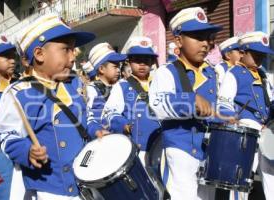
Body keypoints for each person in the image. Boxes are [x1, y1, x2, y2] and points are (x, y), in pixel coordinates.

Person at [0, 13, 95, 199]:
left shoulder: (76, 84)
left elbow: (90, 117)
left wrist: (98, 130)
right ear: (39, 54)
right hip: (50, 189)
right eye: (66, 50)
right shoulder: (19, 93)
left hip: (85, 179)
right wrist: (26, 151)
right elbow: (3, 134)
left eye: (74, 50)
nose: (73, 58)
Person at [148, 7, 222, 199]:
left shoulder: (212, 72)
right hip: (180, 148)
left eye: (208, 37)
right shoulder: (167, 71)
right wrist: (190, 100)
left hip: (209, 149)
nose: (205, 43)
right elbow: (157, 104)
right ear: (179, 40)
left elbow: (218, 105)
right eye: (198, 37)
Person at [217, 31, 274, 200]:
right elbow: (223, 103)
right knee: (243, 175)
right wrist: (232, 118)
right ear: (242, 53)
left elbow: (269, 101)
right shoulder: (233, 73)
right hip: (246, 129)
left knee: (271, 171)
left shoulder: (263, 74)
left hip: (266, 129)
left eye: (262, 56)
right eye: (256, 55)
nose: (259, 59)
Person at [102, 36, 161, 166]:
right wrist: (124, 125)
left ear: (152, 62)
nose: (142, 64)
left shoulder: (160, 83)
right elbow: (109, 113)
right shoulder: (122, 86)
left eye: (147, 60)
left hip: (162, 146)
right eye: (137, 59)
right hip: (137, 148)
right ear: (129, 61)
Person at [85, 42, 126, 138]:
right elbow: (88, 116)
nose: (119, 70)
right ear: (101, 69)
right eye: (115, 67)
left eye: (119, 66)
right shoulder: (92, 89)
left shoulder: (120, 86)